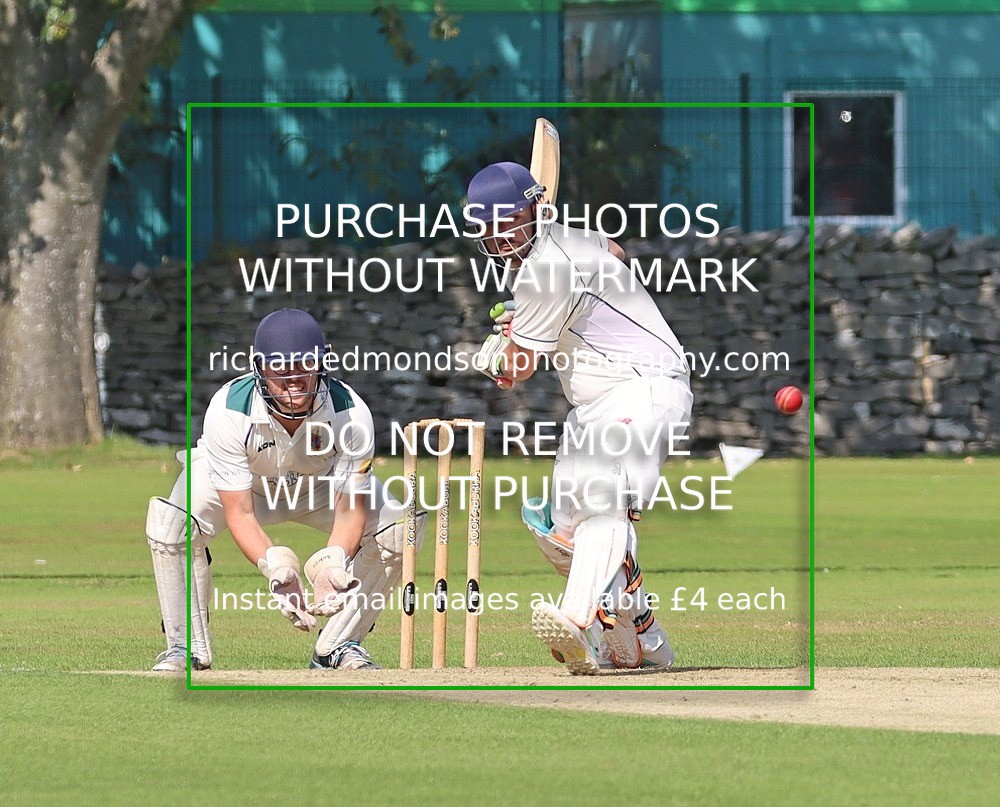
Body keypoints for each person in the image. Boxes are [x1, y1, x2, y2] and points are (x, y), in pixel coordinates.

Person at [467, 162, 692, 674]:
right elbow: (615, 251)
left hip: (644, 389)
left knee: (603, 505)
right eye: (488, 227)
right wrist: (525, 319)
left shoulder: (546, 269)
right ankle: (642, 634)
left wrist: (495, 353)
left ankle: (578, 615)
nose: (500, 237)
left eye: (509, 222)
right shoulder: (563, 241)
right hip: (591, 408)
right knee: (559, 531)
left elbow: (519, 368)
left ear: (534, 210)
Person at [146, 308, 424, 672]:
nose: (293, 379)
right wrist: (275, 566)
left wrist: (333, 564)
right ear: (259, 367)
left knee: (400, 528)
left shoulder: (351, 414)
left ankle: (338, 647)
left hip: (318, 487)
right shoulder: (230, 410)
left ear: (321, 363)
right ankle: (186, 649)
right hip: (245, 486)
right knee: (172, 524)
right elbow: (239, 512)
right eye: (280, 368)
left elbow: (351, 507)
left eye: (304, 365)